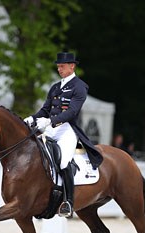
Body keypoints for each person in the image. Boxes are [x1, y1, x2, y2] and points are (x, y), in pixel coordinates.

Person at [24, 52, 103, 217]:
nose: (59, 69)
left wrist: (48, 121)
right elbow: (45, 109)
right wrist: (32, 118)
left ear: (72, 66)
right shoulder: (55, 87)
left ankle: (68, 202)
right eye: (58, 66)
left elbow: (72, 112)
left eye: (62, 66)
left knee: (64, 161)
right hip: (51, 129)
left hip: (67, 130)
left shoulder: (79, 86)